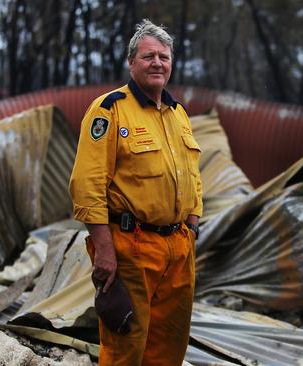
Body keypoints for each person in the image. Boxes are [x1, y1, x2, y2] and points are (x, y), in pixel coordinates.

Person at [69, 19, 202, 366]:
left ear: (172, 63)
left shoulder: (179, 115)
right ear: (131, 63)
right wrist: (104, 249)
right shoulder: (109, 110)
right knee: (125, 348)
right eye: (148, 56)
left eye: (164, 56)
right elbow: (87, 184)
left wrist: (192, 225)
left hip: (178, 249)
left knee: (169, 349)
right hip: (131, 247)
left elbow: (193, 177)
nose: (157, 62)